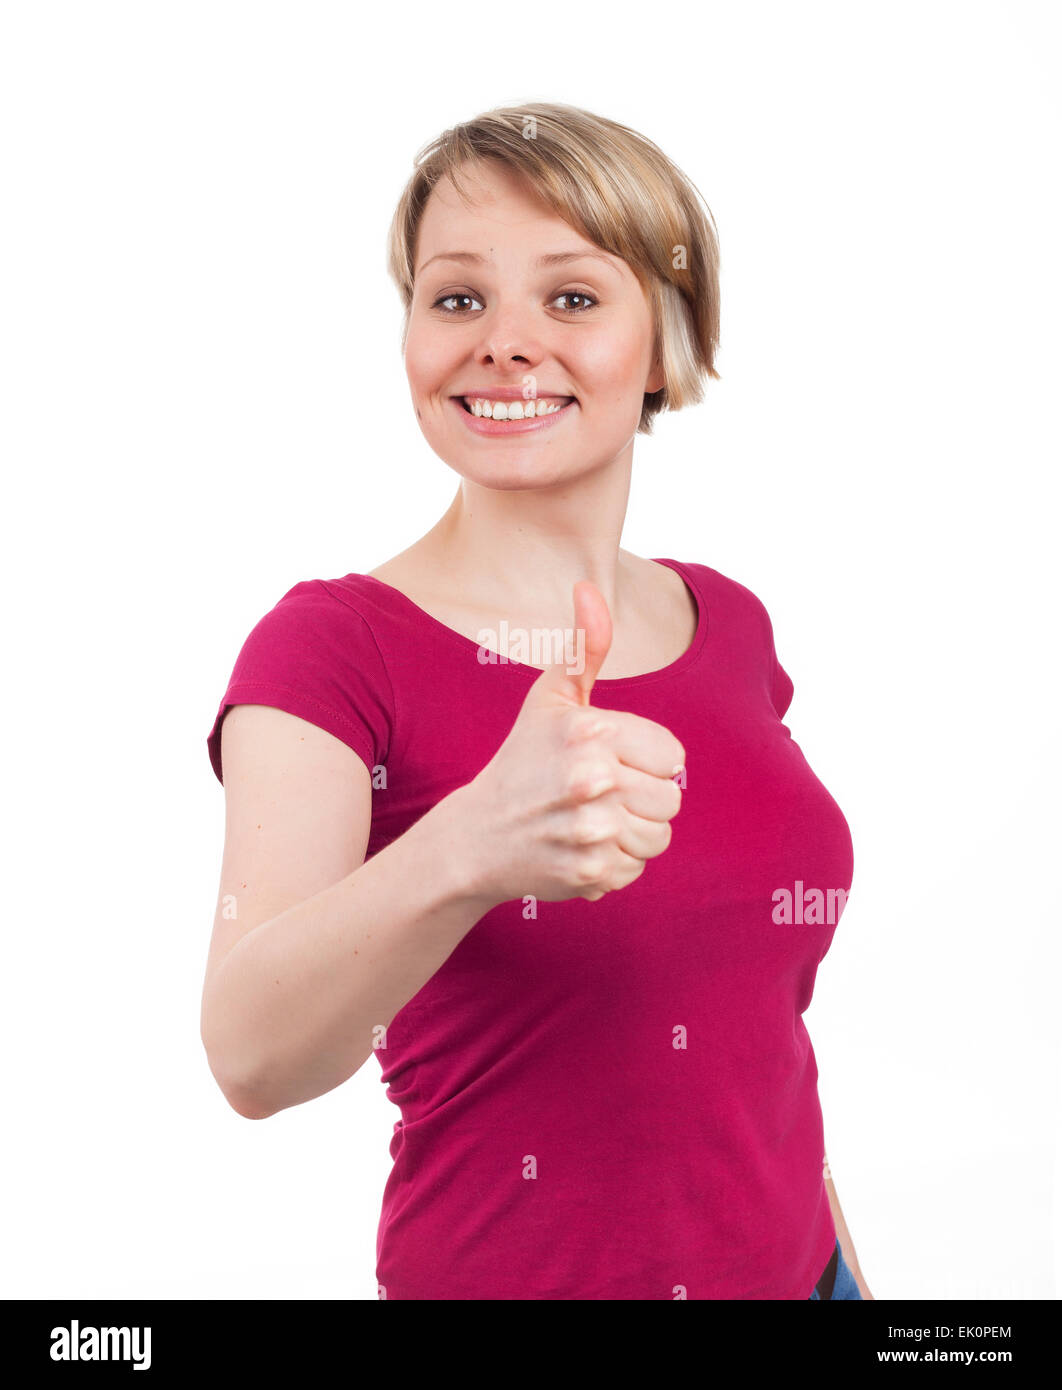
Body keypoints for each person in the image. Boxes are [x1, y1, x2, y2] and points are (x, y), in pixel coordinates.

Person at [201, 101, 872, 1301]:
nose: (505, 342)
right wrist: (471, 842)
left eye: (571, 298)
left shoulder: (731, 623)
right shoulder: (330, 650)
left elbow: (756, 1048)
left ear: (667, 342)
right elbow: (251, 1055)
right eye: (458, 298)